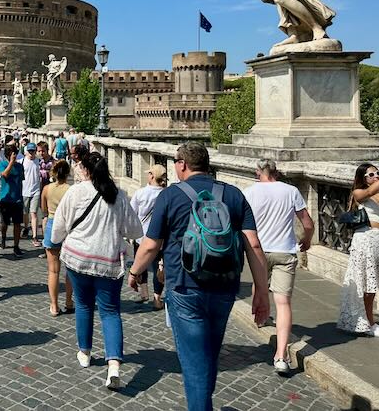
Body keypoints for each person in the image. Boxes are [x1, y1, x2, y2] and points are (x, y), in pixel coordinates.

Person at [128, 142, 270, 411]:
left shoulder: (170, 196)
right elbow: (253, 245)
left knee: (195, 363)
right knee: (209, 355)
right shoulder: (234, 195)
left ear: (182, 164)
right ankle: (203, 400)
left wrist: (134, 272)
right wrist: (262, 292)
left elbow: (149, 245)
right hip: (225, 288)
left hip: (185, 288)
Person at [51, 152, 142, 390]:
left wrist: (57, 239)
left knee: (83, 305)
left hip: (78, 259)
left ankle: (85, 352)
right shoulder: (119, 196)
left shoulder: (76, 191)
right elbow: (135, 230)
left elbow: (59, 227)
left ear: (86, 171)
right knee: (110, 312)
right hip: (108, 260)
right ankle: (114, 365)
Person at [244, 158, 314, 374]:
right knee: (283, 303)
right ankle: (281, 356)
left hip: (258, 251)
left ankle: (260, 315)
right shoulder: (291, 191)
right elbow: (308, 223)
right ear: (275, 171)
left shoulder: (249, 192)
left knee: (260, 284)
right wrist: (307, 240)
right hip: (285, 250)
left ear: (258, 172)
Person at [337, 163, 379, 337]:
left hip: (378, 240)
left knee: (374, 283)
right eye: (371, 174)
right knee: (367, 284)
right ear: (363, 178)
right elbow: (367, 193)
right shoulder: (359, 193)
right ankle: (369, 322)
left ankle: (367, 319)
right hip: (365, 239)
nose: (376, 176)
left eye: (377, 173)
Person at [129, 165, 167, 309]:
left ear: (151, 176)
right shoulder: (166, 194)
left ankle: (144, 293)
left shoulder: (140, 193)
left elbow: (132, 214)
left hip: (142, 236)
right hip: (160, 239)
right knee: (159, 267)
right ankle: (157, 298)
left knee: (142, 264)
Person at [41, 160, 74, 316]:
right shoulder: (71, 190)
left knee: (53, 271)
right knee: (70, 269)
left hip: (52, 224)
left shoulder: (47, 189)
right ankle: (69, 301)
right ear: (68, 173)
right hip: (68, 226)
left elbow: (44, 210)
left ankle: (54, 305)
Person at [0, 144, 26, 258]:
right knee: (4, 223)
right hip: (6, 198)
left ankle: (16, 246)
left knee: (17, 224)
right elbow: (4, 175)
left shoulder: (20, 166)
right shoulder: (2, 164)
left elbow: (22, 179)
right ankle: (3, 237)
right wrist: (11, 163)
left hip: (17, 199)